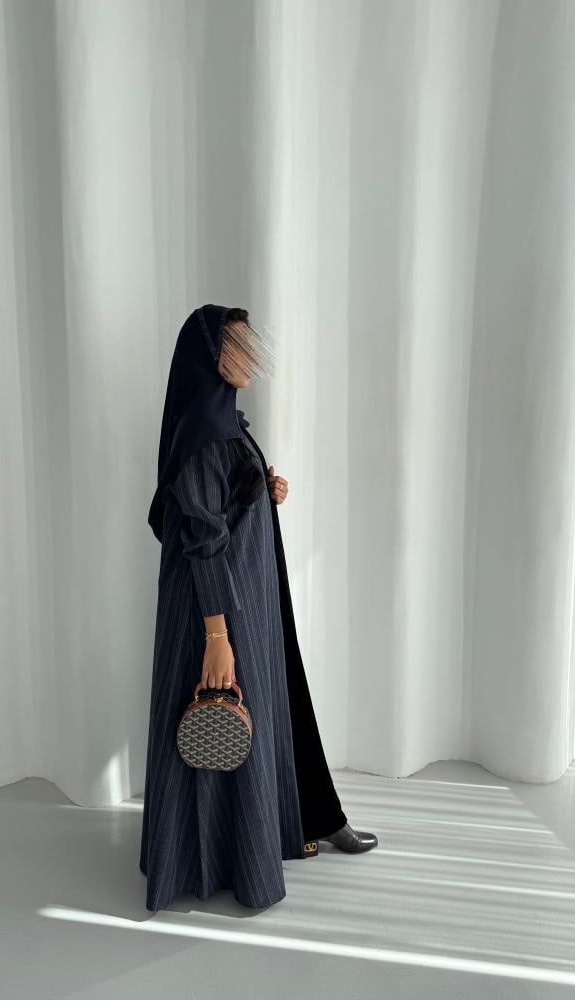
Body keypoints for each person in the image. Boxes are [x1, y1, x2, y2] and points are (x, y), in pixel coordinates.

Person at [140, 304, 378, 911]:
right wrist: (217, 636)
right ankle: (222, 861)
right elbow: (201, 540)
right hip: (219, 607)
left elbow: (223, 504)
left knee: (260, 711)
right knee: (216, 719)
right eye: (238, 347)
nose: (251, 358)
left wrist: (262, 490)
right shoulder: (204, 433)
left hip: (249, 598)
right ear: (209, 357)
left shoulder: (227, 424)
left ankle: (289, 828)